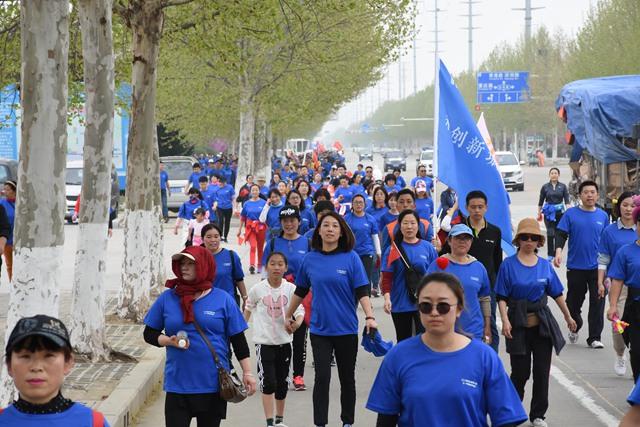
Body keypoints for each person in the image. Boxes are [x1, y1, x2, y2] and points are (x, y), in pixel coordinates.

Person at [366, 272, 528, 427]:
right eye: (426, 306)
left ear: (459, 309)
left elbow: (506, 419)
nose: (434, 312)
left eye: (443, 306)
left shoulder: (484, 357)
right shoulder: (398, 356)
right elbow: (386, 419)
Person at [143, 246, 256, 427]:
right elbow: (149, 333)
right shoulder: (168, 298)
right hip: (177, 384)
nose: (184, 268)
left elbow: (238, 340)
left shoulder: (223, 299)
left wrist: (248, 373)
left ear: (204, 266)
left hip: (213, 384)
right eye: (182, 263)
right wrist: (168, 341)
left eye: (190, 263)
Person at [284, 211, 377, 427]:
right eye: (326, 225)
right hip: (320, 330)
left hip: (346, 329)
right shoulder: (310, 259)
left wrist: (370, 316)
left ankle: (347, 422)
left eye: (335, 226)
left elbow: (362, 290)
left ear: (342, 231)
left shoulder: (351, 258)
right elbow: (301, 290)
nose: (330, 230)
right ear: (319, 231)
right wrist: (288, 314)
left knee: (347, 378)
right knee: (322, 378)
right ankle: (320, 423)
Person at [496, 218, 577, 427]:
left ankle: (538, 415)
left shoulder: (545, 266)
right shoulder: (508, 265)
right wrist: (505, 321)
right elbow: (502, 297)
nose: (529, 241)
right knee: (520, 373)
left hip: (542, 326)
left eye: (533, 238)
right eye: (524, 237)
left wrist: (568, 317)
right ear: (518, 240)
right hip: (518, 325)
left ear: (539, 241)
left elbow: (557, 293)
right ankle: (512, 412)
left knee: (542, 372)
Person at [0, 314, 110, 425]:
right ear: (9, 365)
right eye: (25, 356)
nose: (36, 367)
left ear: (68, 362)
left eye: (48, 356)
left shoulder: (93, 422)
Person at [244, 252, 304, 427]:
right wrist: (240, 328)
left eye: (280, 264)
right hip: (264, 343)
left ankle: (280, 420)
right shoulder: (258, 289)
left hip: (285, 342)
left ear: (285, 267)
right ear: (266, 267)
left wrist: (297, 324)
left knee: (282, 383)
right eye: (272, 264)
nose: (276, 267)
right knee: (269, 382)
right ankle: (270, 422)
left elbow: (300, 311)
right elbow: (248, 306)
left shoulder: (291, 289)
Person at [441, 190, 503, 352]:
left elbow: (497, 261)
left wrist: (497, 287)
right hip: (459, 286)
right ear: (466, 208)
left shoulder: (494, 232)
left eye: (480, 207)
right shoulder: (459, 230)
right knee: (459, 322)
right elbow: (444, 256)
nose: (476, 210)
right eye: (473, 207)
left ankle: (490, 359)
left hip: (486, 287)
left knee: (490, 324)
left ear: (486, 208)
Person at [554, 180, 609, 348]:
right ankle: (575, 324)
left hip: (598, 269)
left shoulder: (603, 216)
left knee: (597, 303)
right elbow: (561, 234)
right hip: (576, 267)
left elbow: (607, 242)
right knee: (573, 303)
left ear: (597, 195)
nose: (590, 195)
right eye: (586, 192)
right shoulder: (570, 215)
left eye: (593, 192)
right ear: (580, 195)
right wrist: (558, 251)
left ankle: (594, 337)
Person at [427, 224, 491, 342]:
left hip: (473, 330)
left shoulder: (478, 267)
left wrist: (487, 326)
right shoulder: (438, 264)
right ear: (449, 241)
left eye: (466, 238)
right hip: (444, 329)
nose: (462, 242)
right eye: (458, 238)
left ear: (471, 242)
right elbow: (426, 295)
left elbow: (485, 298)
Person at [381, 209, 438, 342]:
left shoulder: (428, 248)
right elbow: (387, 277)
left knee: (425, 340)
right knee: (403, 341)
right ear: (399, 226)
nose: (409, 226)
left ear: (418, 225)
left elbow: (436, 276)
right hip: (400, 303)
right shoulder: (393, 249)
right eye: (405, 223)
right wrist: (387, 298)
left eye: (413, 223)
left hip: (424, 303)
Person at [598, 191, 637, 376]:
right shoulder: (610, 231)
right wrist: (600, 281)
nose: (629, 209)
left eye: (633, 206)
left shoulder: (637, 229)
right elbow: (603, 259)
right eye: (625, 205)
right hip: (618, 284)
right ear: (618, 206)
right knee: (619, 323)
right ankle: (620, 353)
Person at [606, 201, 640, 382]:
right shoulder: (626, 252)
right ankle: (637, 383)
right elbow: (617, 279)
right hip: (633, 305)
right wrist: (613, 306)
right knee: (636, 348)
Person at [345, 194, 381, 297]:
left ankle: (367, 298)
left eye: (360, 202)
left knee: (366, 276)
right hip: (352, 252)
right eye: (356, 202)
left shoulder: (370, 219)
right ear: (352, 204)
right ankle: (353, 298)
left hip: (367, 252)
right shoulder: (347, 218)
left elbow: (375, 236)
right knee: (352, 276)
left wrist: (378, 252)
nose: (358, 204)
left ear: (365, 204)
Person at [202, 224, 248, 304]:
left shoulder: (231, 256)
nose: (213, 240)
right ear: (202, 239)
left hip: (228, 303)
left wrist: (245, 299)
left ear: (220, 238)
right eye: (209, 237)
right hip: (205, 304)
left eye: (216, 236)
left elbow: (239, 279)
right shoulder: (197, 258)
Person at [537, 168, 570, 260]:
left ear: (558, 175)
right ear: (549, 175)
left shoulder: (563, 186)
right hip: (549, 214)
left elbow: (567, 200)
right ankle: (550, 254)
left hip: (560, 214)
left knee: (558, 233)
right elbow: (541, 201)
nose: (554, 175)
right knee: (550, 233)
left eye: (555, 173)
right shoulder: (545, 187)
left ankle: (557, 253)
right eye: (552, 173)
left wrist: (569, 212)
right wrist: (539, 213)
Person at [238, 184, 267, 274]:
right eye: (253, 190)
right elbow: (243, 217)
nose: (255, 192)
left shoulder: (264, 203)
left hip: (261, 227)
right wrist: (239, 230)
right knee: (253, 246)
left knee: (260, 247)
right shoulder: (247, 203)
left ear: (259, 191)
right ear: (250, 192)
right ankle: (252, 265)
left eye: (256, 190)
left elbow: (266, 215)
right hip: (250, 227)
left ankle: (259, 265)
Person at [0, 180, 15, 281]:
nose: (5, 191)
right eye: (4, 189)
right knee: (10, 265)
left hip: (19, 239)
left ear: (14, 191)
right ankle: (12, 285)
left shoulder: (20, 203)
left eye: (8, 189)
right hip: (6, 240)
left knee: (19, 264)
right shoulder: (1, 203)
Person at [212, 176, 235, 243]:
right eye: (220, 182)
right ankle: (220, 236)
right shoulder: (217, 189)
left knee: (227, 222)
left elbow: (233, 198)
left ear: (225, 182)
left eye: (222, 183)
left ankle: (225, 237)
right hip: (220, 207)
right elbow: (215, 199)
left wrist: (235, 207)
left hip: (228, 207)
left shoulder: (230, 187)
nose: (221, 184)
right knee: (221, 221)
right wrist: (214, 206)